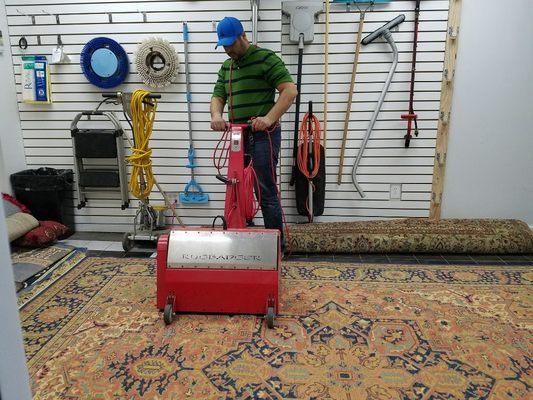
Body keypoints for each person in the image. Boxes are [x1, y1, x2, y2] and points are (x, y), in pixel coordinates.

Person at [210, 17, 297, 253]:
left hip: (262, 136)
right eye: (224, 45)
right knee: (237, 187)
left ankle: (275, 245)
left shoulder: (266, 59)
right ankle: (242, 238)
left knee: (264, 188)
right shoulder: (226, 67)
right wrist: (217, 116)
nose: (227, 50)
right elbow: (218, 95)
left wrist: (268, 118)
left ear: (243, 36)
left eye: (231, 44)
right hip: (237, 136)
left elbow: (289, 91)